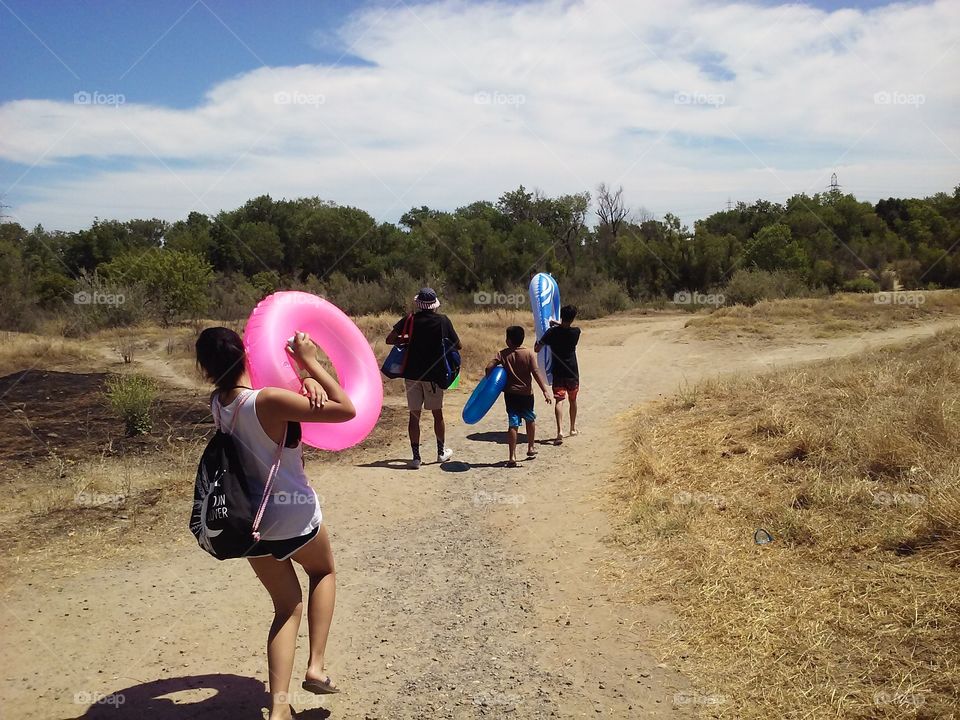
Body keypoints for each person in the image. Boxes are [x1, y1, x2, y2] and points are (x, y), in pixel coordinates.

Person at [195, 327, 356, 720]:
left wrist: (301, 384)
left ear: (205, 368)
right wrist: (310, 363)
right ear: (247, 354)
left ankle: (279, 708)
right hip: (294, 513)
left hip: (249, 523)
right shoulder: (269, 400)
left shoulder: (219, 402)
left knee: (286, 607)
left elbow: (266, 402)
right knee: (323, 572)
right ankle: (316, 665)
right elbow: (346, 409)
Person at [386, 288, 462, 469]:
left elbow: (390, 339)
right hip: (434, 376)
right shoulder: (443, 321)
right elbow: (458, 345)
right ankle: (441, 452)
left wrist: (406, 341)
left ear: (418, 304)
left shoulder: (410, 319)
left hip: (412, 375)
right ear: (435, 305)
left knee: (414, 416)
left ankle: (416, 457)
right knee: (437, 414)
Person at [486, 325, 552, 467]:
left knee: (513, 424)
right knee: (530, 419)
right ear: (522, 339)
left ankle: (512, 456)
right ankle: (531, 447)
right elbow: (536, 373)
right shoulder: (528, 354)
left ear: (508, 340)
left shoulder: (502, 354)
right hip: (526, 395)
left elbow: (488, 367)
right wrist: (545, 391)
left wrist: (489, 382)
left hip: (511, 395)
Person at [535, 304, 581, 445]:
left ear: (561, 315)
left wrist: (540, 338)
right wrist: (557, 324)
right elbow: (566, 327)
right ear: (573, 318)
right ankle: (572, 429)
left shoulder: (552, 333)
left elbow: (537, 349)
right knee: (572, 400)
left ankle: (559, 431)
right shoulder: (576, 332)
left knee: (559, 400)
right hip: (572, 371)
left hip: (558, 372)